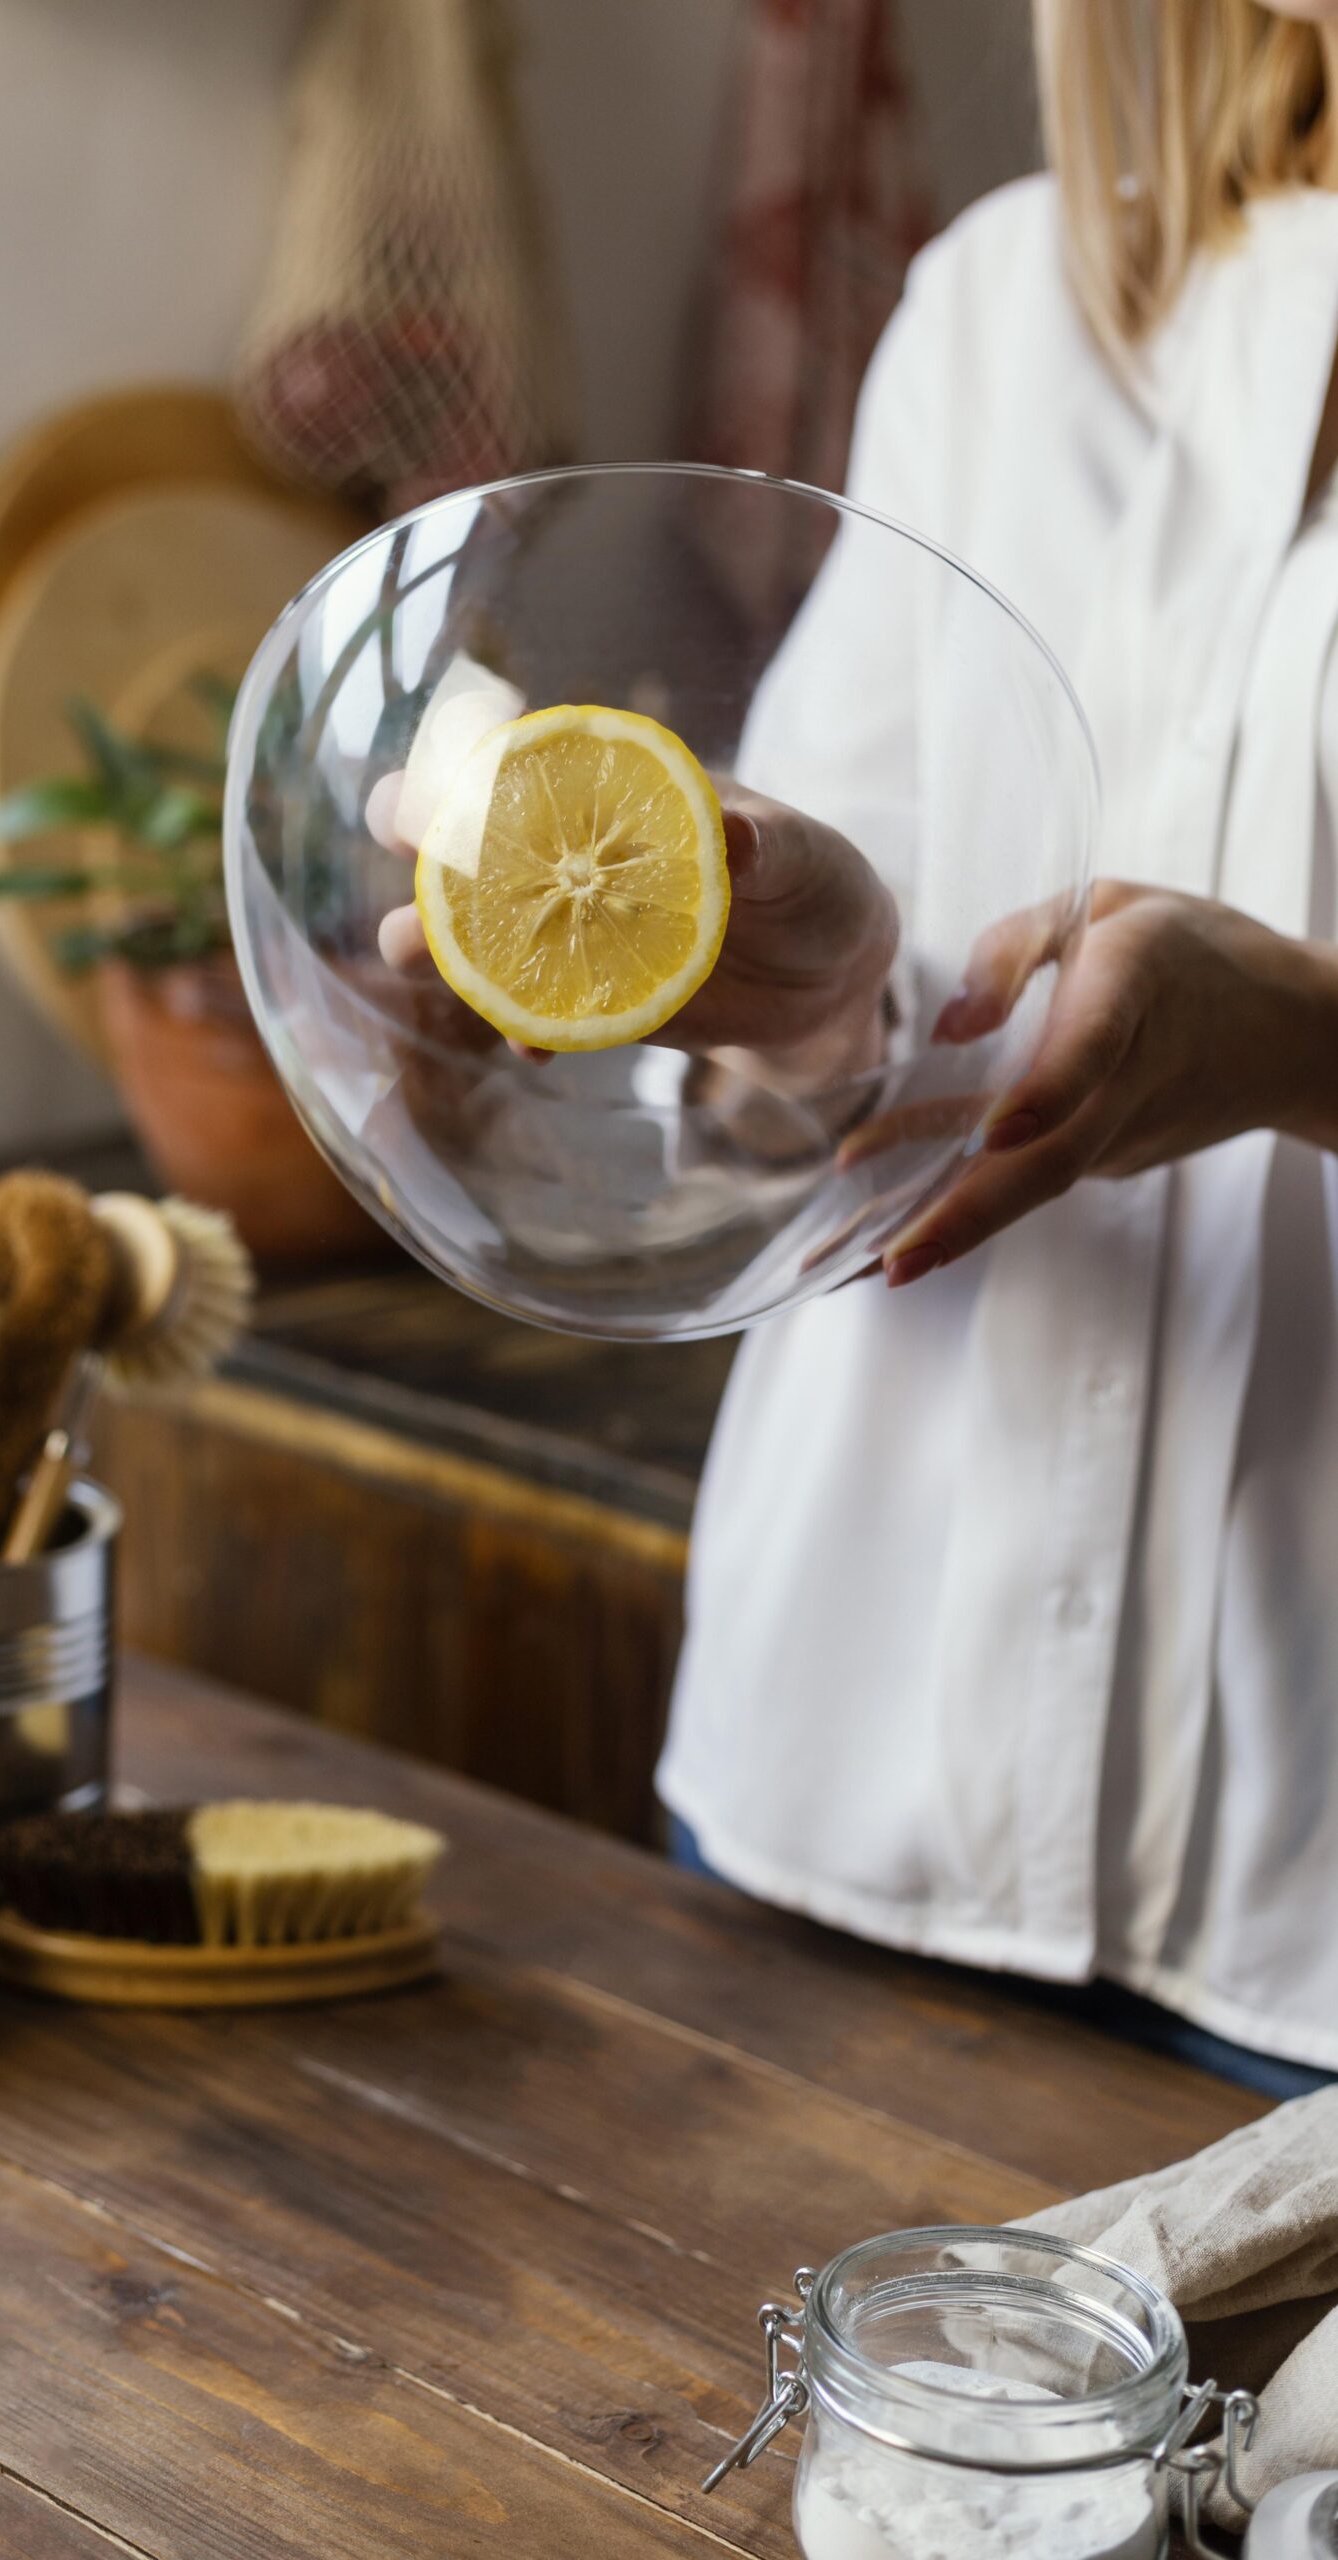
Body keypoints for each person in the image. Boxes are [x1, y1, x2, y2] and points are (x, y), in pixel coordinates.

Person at [655, 0, 1338, 2100]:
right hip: (838, 1793)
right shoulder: (988, 309)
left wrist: (1301, 1048)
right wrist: (779, 981)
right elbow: (819, 1066)